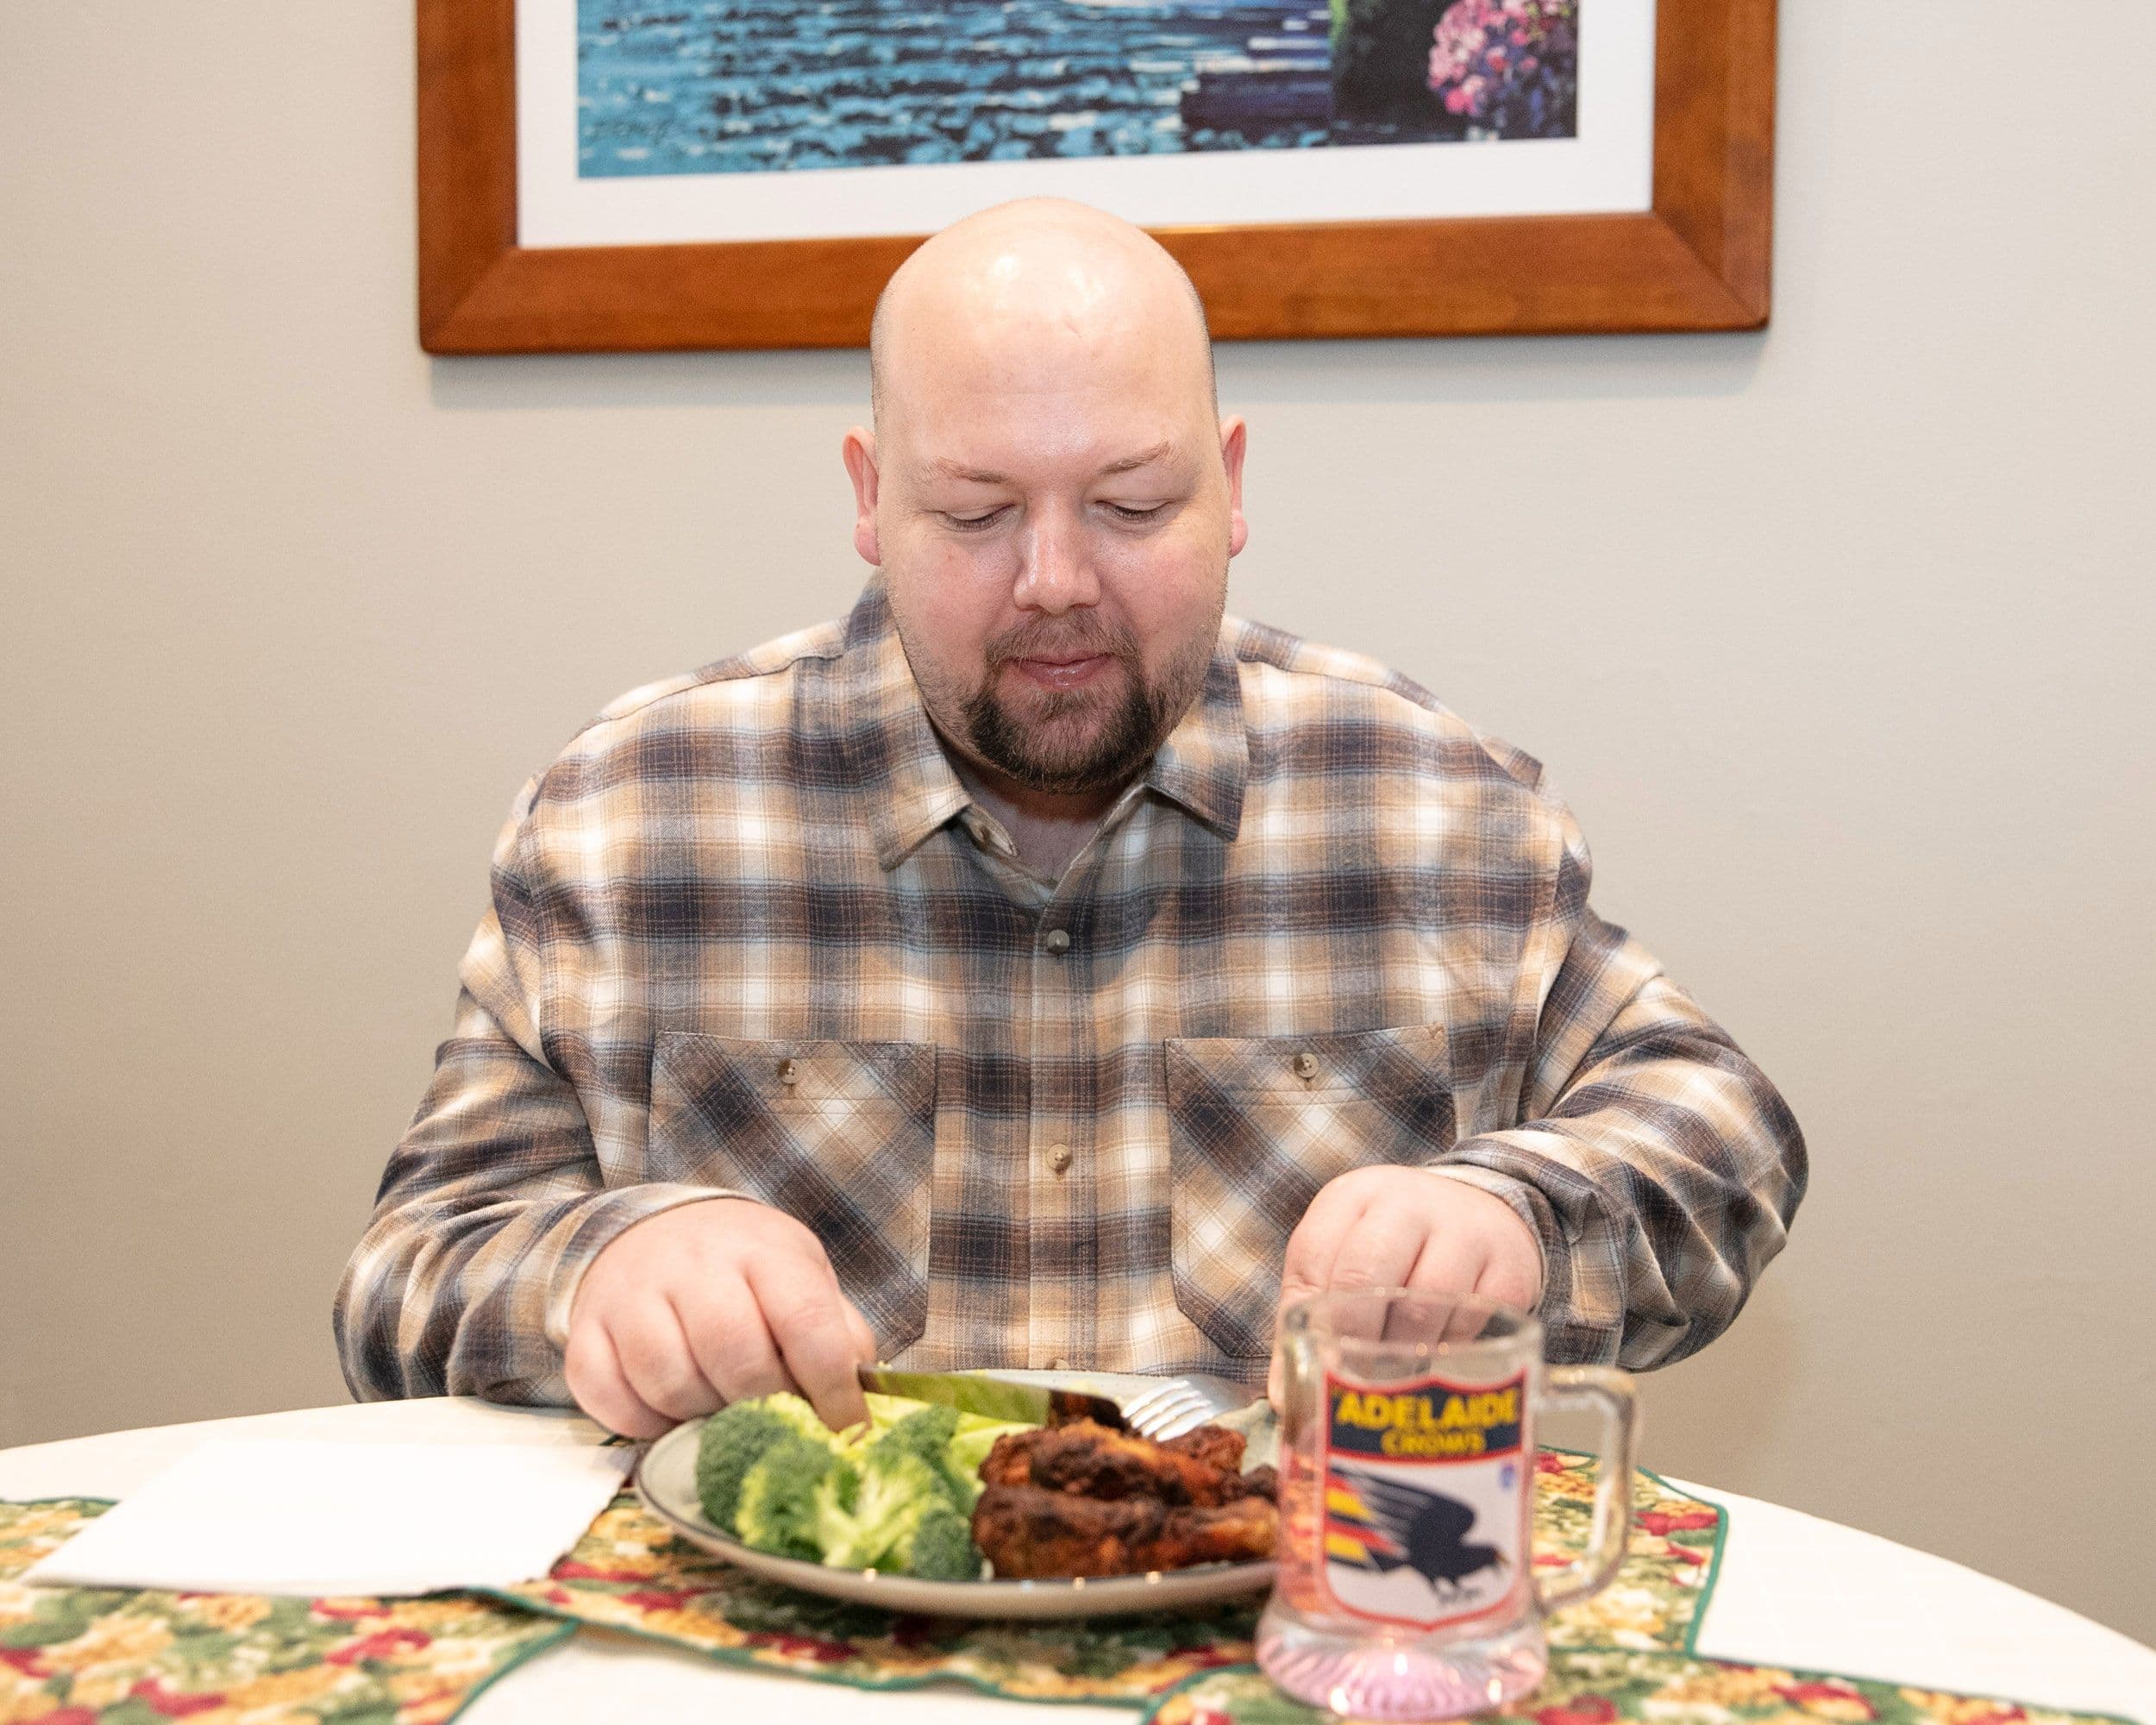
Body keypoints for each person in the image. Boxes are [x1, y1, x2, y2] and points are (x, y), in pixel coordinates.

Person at [335, 198, 1806, 1439]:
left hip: (1276, 1637)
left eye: (1130, 502)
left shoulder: (1431, 808)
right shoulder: (627, 819)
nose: (1052, 581)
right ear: (871, 501)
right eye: (976, 513)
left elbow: (1725, 1138)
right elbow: (402, 1281)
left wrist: (1516, 1217)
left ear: (1227, 489)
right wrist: (601, 1267)